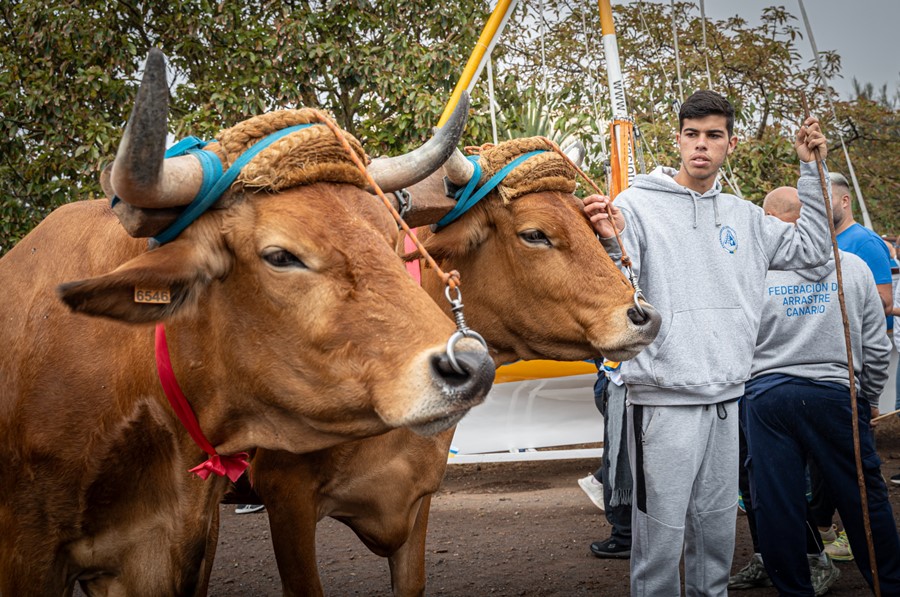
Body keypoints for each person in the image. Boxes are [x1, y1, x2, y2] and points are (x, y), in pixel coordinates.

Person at [583, 89, 831, 596]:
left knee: (716, 533)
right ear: (678, 139)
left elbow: (814, 254)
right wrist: (608, 239)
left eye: (713, 135)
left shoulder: (744, 216)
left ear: (730, 144)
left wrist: (811, 172)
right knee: (660, 540)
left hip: (726, 397)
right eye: (692, 135)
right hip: (661, 399)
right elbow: (611, 285)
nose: (701, 145)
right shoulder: (635, 206)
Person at [739, 187, 900, 595]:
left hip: (768, 397)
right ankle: (890, 585)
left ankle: (795, 589)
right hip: (835, 394)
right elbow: (878, 347)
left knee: (776, 502)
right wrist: (868, 397)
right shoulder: (853, 267)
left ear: (775, 223)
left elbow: (737, 343)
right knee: (863, 497)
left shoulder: (755, 273)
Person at [728, 187, 840, 595]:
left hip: (786, 392)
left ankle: (812, 557)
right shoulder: (756, 266)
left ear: (781, 221)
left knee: (787, 484)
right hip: (745, 389)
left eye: (769, 220)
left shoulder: (826, 264)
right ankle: (767, 555)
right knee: (752, 483)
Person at [809, 171, 895, 560]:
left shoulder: (865, 243)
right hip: (827, 365)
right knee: (830, 458)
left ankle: (853, 537)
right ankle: (821, 526)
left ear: (844, 201)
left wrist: (837, 302)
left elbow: (884, 298)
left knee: (857, 460)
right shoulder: (823, 241)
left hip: (858, 361)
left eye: (825, 198)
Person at [578, 360, 632, 559]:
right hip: (623, 385)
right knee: (623, 457)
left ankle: (625, 536)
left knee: (621, 457)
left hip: (627, 386)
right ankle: (627, 535)